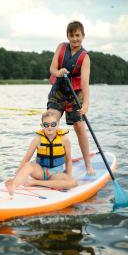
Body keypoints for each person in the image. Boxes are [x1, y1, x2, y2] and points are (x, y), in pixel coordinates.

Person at [47, 21, 95, 175]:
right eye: (71, 35)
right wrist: (58, 72)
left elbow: (85, 83)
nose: (74, 39)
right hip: (59, 89)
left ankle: (88, 165)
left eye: (77, 35)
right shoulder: (61, 47)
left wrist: (86, 104)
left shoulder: (85, 57)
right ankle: (48, 163)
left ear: (83, 36)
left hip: (76, 93)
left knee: (79, 127)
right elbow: (52, 68)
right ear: (67, 36)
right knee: (51, 122)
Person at [5, 111, 77, 196]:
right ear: (42, 126)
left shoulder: (64, 139)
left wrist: (68, 177)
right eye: (46, 125)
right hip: (40, 172)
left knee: (72, 183)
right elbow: (26, 159)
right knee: (28, 165)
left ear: (57, 124)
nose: (50, 127)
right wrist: (15, 177)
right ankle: (13, 186)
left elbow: (68, 160)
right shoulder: (37, 139)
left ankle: (35, 182)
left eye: (53, 124)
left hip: (56, 174)